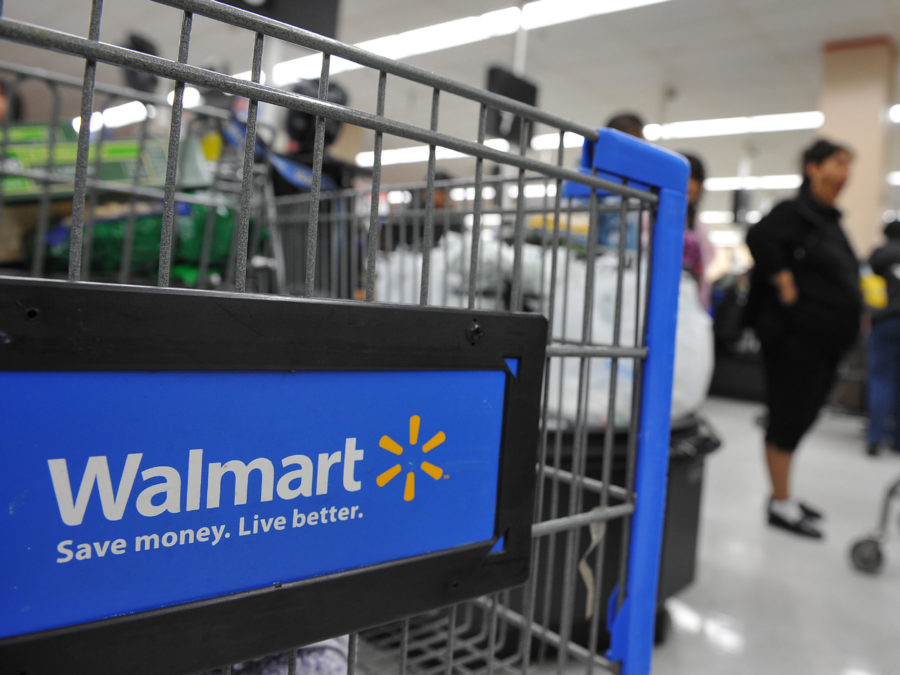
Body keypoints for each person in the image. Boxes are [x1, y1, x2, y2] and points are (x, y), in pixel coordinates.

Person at [745, 138, 861, 539]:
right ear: (813, 167)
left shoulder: (828, 221)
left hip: (823, 345)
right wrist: (783, 278)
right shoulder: (794, 212)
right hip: (796, 340)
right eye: (837, 163)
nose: (845, 173)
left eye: (849, 165)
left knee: (802, 418)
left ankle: (785, 495)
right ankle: (780, 503)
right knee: (787, 418)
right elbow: (758, 238)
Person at [865, 219, 900, 456]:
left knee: (881, 380)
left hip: (887, 320)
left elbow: (869, 275)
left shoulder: (882, 254)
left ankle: (875, 438)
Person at [680, 153, 715, 310]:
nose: (690, 185)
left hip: (691, 302)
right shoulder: (650, 216)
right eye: (685, 177)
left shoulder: (698, 226)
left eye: (695, 179)